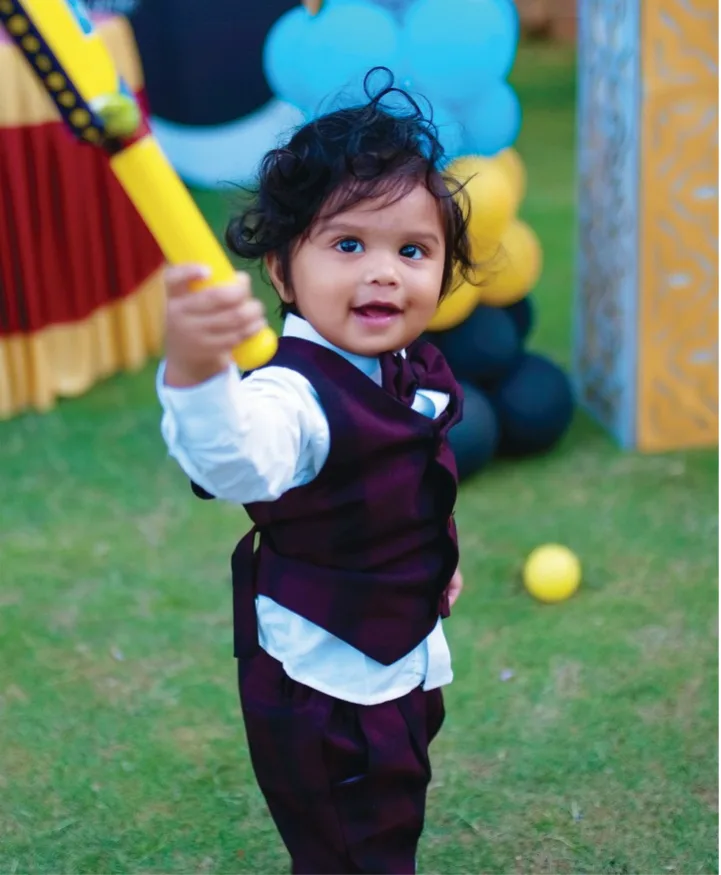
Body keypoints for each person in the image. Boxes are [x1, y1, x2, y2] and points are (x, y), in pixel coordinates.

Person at [157, 69, 475, 874]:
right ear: (280, 271)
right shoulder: (289, 395)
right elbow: (235, 458)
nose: (383, 271)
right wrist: (197, 372)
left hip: (400, 657)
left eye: (412, 249)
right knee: (347, 849)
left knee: (392, 817)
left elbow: (413, 482)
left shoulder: (410, 365)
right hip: (322, 681)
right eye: (346, 244)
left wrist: (441, 554)